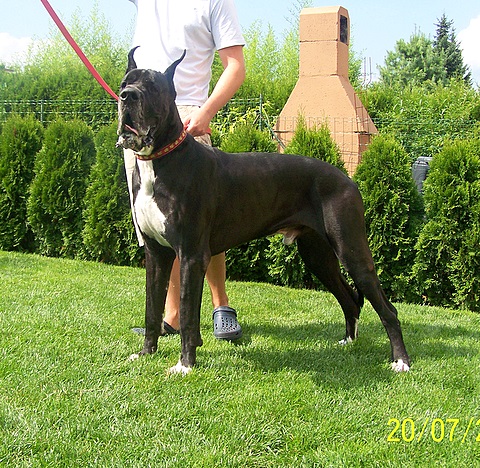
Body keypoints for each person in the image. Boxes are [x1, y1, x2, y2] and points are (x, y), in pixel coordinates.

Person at [124, 0, 245, 340]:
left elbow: (235, 65)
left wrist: (206, 112)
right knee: (157, 228)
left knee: (203, 223)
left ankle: (221, 306)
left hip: (187, 117)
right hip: (139, 114)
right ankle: (173, 316)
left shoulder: (215, 2)